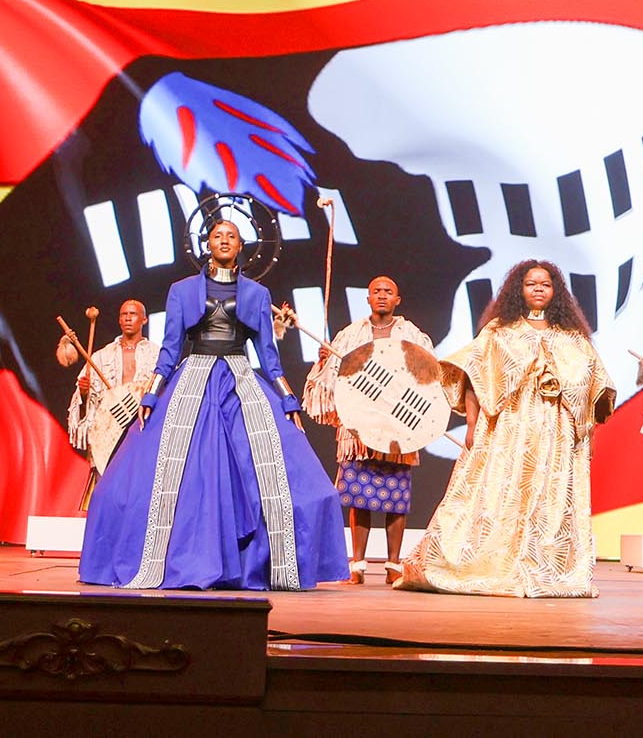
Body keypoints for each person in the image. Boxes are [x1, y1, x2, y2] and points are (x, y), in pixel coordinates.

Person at [79, 219, 347, 590]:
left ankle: (254, 563)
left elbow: (268, 354)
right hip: (192, 381)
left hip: (240, 380)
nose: (224, 241)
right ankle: (180, 558)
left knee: (277, 474)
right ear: (208, 243)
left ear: (240, 246)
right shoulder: (182, 290)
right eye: (218, 236)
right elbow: (171, 348)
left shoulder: (257, 294)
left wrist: (287, 397)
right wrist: (153, 393)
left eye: (231, 236)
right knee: (150, 481)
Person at [396, 260, 615, 598]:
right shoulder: (499, 332)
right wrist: (471, 423)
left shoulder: (571, 338)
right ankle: (491, 562)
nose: (538, 289)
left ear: (556, 291)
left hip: (554, 435)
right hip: (508, 430)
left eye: (545, 284)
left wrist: (586, 431)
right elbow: (472, 374)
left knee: (548, 498)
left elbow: (594, 387)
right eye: (531, 283)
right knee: (498, 491)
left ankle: (544, 565)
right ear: (519, 289)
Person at [302, 275, 435, 585]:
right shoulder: (350, 335)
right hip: (359, 428)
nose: (382, 295)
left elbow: (428, 372)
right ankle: (358, 563)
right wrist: (324, 363)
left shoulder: (412, 335)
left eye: (388, 291)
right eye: (377, 291)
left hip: (396, 425)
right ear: (368, 298)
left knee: (396, 496)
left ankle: (393, 564)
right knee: (358, 495)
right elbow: (331, 377)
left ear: (397, 299)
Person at [59, 299, 160, 509]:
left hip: (142, 427)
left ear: (144, 319)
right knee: (106, 488)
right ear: (119, 320)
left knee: (140, 487)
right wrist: (84, 392)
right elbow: (84, 404)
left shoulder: (156, 355)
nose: (128, 318)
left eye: (133, 314)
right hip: (109, 430)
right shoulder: (101, 356)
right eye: (124, 314)